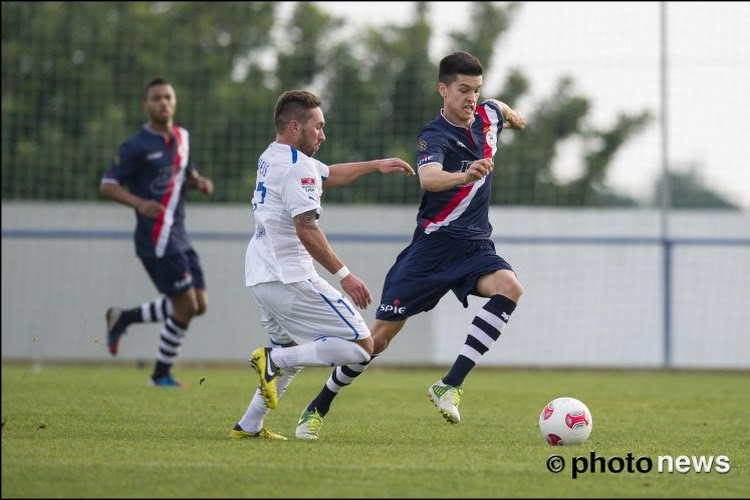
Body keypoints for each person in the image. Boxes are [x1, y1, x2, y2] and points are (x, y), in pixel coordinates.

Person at [297, 50, 527, 438]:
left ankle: (450, 385)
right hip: (431, 250)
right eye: (462, 90)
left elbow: (499, 108)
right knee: (376, 342)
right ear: (443, 90)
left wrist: (515, 116)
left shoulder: (488, 114)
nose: (471, 98)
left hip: (474, 246)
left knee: (510, 288)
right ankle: (318, 405)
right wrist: (465, 174)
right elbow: (429, 179)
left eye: (476, 90)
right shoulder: (433, 135)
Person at [229, 89, 414, 440]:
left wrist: (376, 165)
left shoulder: (272, 155)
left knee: (292, 352)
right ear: (296, 126)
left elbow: (328, 174)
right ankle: (273, 361)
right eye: (318, 127)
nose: (323, 135)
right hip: (291, 277)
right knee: (362, 347)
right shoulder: (298, 168)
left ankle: (249, 424)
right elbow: (306, 229)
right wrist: (345, 276)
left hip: (260, 275)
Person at [100, 77, 214, 387]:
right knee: (186, 306)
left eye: (168, 97)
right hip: (156, 238)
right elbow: (107, 184)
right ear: (146, 105)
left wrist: (198, 181)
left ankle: (124, 317)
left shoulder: (182, 138)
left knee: (198, 305)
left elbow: (185, 171)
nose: (163, 102)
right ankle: (160, 375)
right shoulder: (136, 145)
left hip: (179, 235)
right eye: (156, 98)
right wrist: (140, 203)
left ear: (175, 102)